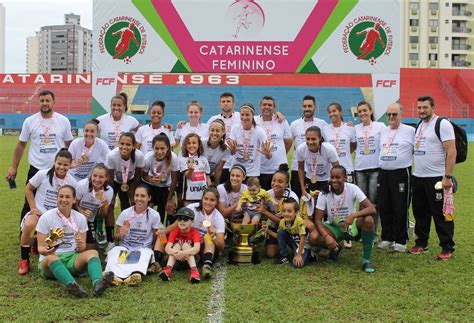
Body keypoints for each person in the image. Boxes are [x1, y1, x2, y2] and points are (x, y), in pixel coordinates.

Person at [5, 90, 73, 221]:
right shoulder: (30, 121)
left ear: (54, 102)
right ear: (38, 102)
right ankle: (24, 235)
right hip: (36, 169)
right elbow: (21, 145)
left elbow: (70, 145)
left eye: (47, 100)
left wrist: (70, 165)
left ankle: (55, 235)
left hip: (57, 171)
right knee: (29, 203)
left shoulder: (63, 121)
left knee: (59, 203)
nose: (45, 103)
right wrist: (14, 167)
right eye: (42, 101)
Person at [36, 185, 114, 297]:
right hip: (50, 262)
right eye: (61, 196)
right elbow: (40, 248)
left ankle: (98, 283)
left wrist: (81, 246)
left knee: (93, 253)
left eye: (67, 197)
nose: (63, 200)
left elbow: (80, 249)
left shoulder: (80, 218)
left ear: (73, 200)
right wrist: (48, 250)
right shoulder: (46, 217)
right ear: (56, 198)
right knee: (51, 257)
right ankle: (72, 285)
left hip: (71, 258)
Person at [409, 96, 456, 260]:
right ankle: (422, 243)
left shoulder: (442, 124)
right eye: (419, 107)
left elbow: (451, 151)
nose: (422, 111)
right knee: (420, 212)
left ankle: (447, 247)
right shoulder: (420, 125)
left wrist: (447, 177)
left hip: (436, 178)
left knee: (440, 214)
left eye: (425, 107)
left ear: (433, 107)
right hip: (419, 177)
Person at [18, 149, 77, 275]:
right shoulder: (42, 174)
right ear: (54, 162)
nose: (62, 167)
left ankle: (37, 243)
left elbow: (73, 201)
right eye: (59, 163)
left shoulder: (72, 182)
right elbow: (28, 189)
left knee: (60, 235)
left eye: (65, 165)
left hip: (57, 216)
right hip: (39, 213)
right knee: (29, 225)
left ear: (70, 165)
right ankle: (24, 260)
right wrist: (33, 208)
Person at [313, 166, 377, 273]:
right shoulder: (324, 192)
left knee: (368, 220)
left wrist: (353, 216)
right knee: (313, 237)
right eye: (332, 177)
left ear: (345, 178)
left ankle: (366, 260)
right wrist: (327, 236)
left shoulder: (352, 188)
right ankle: (335, 248)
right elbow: (318, 221)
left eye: (338, 177)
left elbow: (372, 208)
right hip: (334, 227)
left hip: (352, 226)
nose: (334, 180)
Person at [105, 185, 164, 286]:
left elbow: (155, 236)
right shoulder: (126, 213)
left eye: (143, 196)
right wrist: (121, 234)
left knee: (146, 254)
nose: (139, 199)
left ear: (149, 198)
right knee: (114, 252)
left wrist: (152, 249)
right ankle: (113, 276)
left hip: (142, 249)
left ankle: (135, 274)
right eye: (136, 195)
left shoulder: (154, 215)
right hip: (126, 248)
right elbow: (117, 237)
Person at [377, 103, 415, 253]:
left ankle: (401, 238)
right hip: (383, 172)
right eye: (389, 114)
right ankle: (387, 237)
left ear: (401, 114)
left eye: (395, 114)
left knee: (400, 205)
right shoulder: (383, 131)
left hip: (401, 173)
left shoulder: (410, 131)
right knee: (384, 205)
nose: (391, 117)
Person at [105, 132, 145, 251]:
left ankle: (129, 236)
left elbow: (138, 176)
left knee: (130, 206)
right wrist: (111, 197)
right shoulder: (112, 155)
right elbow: (110, 179)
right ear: (118, 144)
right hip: (115, 182)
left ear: (133, 146)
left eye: (128, 144)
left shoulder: (139, 155)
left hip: (131, 181)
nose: (124, 147)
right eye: (122, 144)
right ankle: (111, 240)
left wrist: (132, 193)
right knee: (110, 207)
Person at [354, 101, 385, 232]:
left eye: (365, 110)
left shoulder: (380, 126)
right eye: (360, 111)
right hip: (360, 169)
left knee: (373, 202)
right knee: (362, 202)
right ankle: (362, 231)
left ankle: (373, 232)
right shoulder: (355, 128)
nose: (362, 113)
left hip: (375, 169)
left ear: (371, 111)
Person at [289, 95, 328, 197]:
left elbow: (327, 143)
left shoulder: (322, 124)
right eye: (305, 106)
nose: (307, 108)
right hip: (297, 168)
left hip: (315, 169)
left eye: (310, 106)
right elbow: (289, 142)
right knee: (296, 197)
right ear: (302, 107)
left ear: (315, 107)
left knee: (315, 198)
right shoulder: (294, 124)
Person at [184, 187, 225, 279]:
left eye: (212, 200)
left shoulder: (218, 218)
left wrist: (213, 236)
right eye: (206, 199)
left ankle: (206, 265)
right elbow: (176, 226)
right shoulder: (192, 209)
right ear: (202, 199)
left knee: (208, 236)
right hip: (190, 243)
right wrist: (163, 232)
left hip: (206, 248)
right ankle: (194, 258)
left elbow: (221, 246)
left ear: (217, 202)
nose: (208, 202)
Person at [255, 96, 293, 190]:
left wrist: (277, 154)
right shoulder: (254, 121)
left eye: (270, 105)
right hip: (260, 169)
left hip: (279, 169)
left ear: (274, 108)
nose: (267, 107)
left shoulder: (281, 121)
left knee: (282, 200)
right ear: (259, 107)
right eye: (264, 104)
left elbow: (288, 142)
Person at [227, 103, 272, 177]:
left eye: (247, 115)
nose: (244, 117)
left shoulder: (259, 131)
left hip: (252, 173)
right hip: (236, 171)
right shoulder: (235, 128)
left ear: (253, 115)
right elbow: (232, 152)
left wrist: (267, 153)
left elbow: (269, 156)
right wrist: (233, 150)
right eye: (242, 115)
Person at [141, 133, 179, 223]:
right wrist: (151, 179)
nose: (159, 152)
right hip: (150, 185)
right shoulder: (148, 158)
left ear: (168, 148)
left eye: (162, 148)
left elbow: (174, 181)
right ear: (152, 148)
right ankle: (147, 226)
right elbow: (143, 175)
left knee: (169, 207)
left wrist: (169, 199)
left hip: (165, 186)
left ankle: (164, 230)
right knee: (147, 205)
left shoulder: (173, 158)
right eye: (156, 148)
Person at [75, 164, 114, 249]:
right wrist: (82, 212)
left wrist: (104, 206)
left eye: (101, 177)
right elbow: (74, 204)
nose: (97, 179)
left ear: (106, 178)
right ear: (91, 175)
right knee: (78, 245)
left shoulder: (109, 191)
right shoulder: (82, 185)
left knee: (91, 247)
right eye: (95, 176)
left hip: (91, 219)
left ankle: (97, 239)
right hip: (76, 216)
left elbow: (101, 215)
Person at [159, 207, 201, 283]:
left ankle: (194, 271)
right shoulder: (174, 232)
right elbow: (167, 248)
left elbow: (196, 249)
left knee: (185, 245)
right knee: (177, 245)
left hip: (192, 260)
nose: (182, 221)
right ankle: (168, 269)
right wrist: (177, 253)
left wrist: (183, 253)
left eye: (185, 219)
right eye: (179, 219)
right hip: (176, 261)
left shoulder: (195, 233)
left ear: (192, 221)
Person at [296, 126, 339, 198]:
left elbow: (337, 169)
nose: (310, 142)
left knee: (325, 207)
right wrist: (303, 189)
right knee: (310, 207)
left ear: (319, 138)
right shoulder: (301, 149)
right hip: (309, 180)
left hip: (326, 181)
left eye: (313, 139)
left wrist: (333, 185)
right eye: (308, 139)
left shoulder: (329, 149)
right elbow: (300, 168)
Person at [207, 92, 240, 183]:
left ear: (233, 103)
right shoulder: (213, 119)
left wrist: (276, 114)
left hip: (236, 162)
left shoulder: (241, 117)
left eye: (228, 101)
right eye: (223, 101)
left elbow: (257, 120)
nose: (226, 103)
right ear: (220, 104)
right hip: (220, 163)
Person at [323, 102, 356, 183]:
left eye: (334, 111)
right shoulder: (325, 129)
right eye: (329, 112)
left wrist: (345, 152)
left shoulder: (349, 128)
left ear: (340, 112)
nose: (332, 114)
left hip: (347, 168)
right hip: (332, 170)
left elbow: (354, 145)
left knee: (349, 194)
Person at [274, 198, 311, 268]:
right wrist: (267, 231)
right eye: (284, 211)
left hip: (303, 244)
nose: (286, 214)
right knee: (281, 232)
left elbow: (303, 238)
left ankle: (310, 254)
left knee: (296, 264)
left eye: (289, 211)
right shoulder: (282, 222)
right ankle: (284, 256)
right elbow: (279, 236)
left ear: (296, 212)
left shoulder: (299, 221)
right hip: (294, 242)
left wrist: (299, 255)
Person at [178, 133, 211, 207]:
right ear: (185, 146)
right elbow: (188, 176)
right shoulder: (183, 159)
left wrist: (210, 189)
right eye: (188, 143)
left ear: (199, 145)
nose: (191, 145)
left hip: (202, 196)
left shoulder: (204, 159)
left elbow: (207, 176)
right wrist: (191, 170)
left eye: (194, 143)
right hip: (189, 197)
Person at [202, 119, 231, 185]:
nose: (214, 133)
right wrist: (208, 181)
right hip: (197, 174)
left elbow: (218, 170)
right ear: (209, 131)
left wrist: (216, 186)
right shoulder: (201, 143)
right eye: (212, 130)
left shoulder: (226, 149)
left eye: (217, 131)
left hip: (211, 175)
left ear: (223, 132)